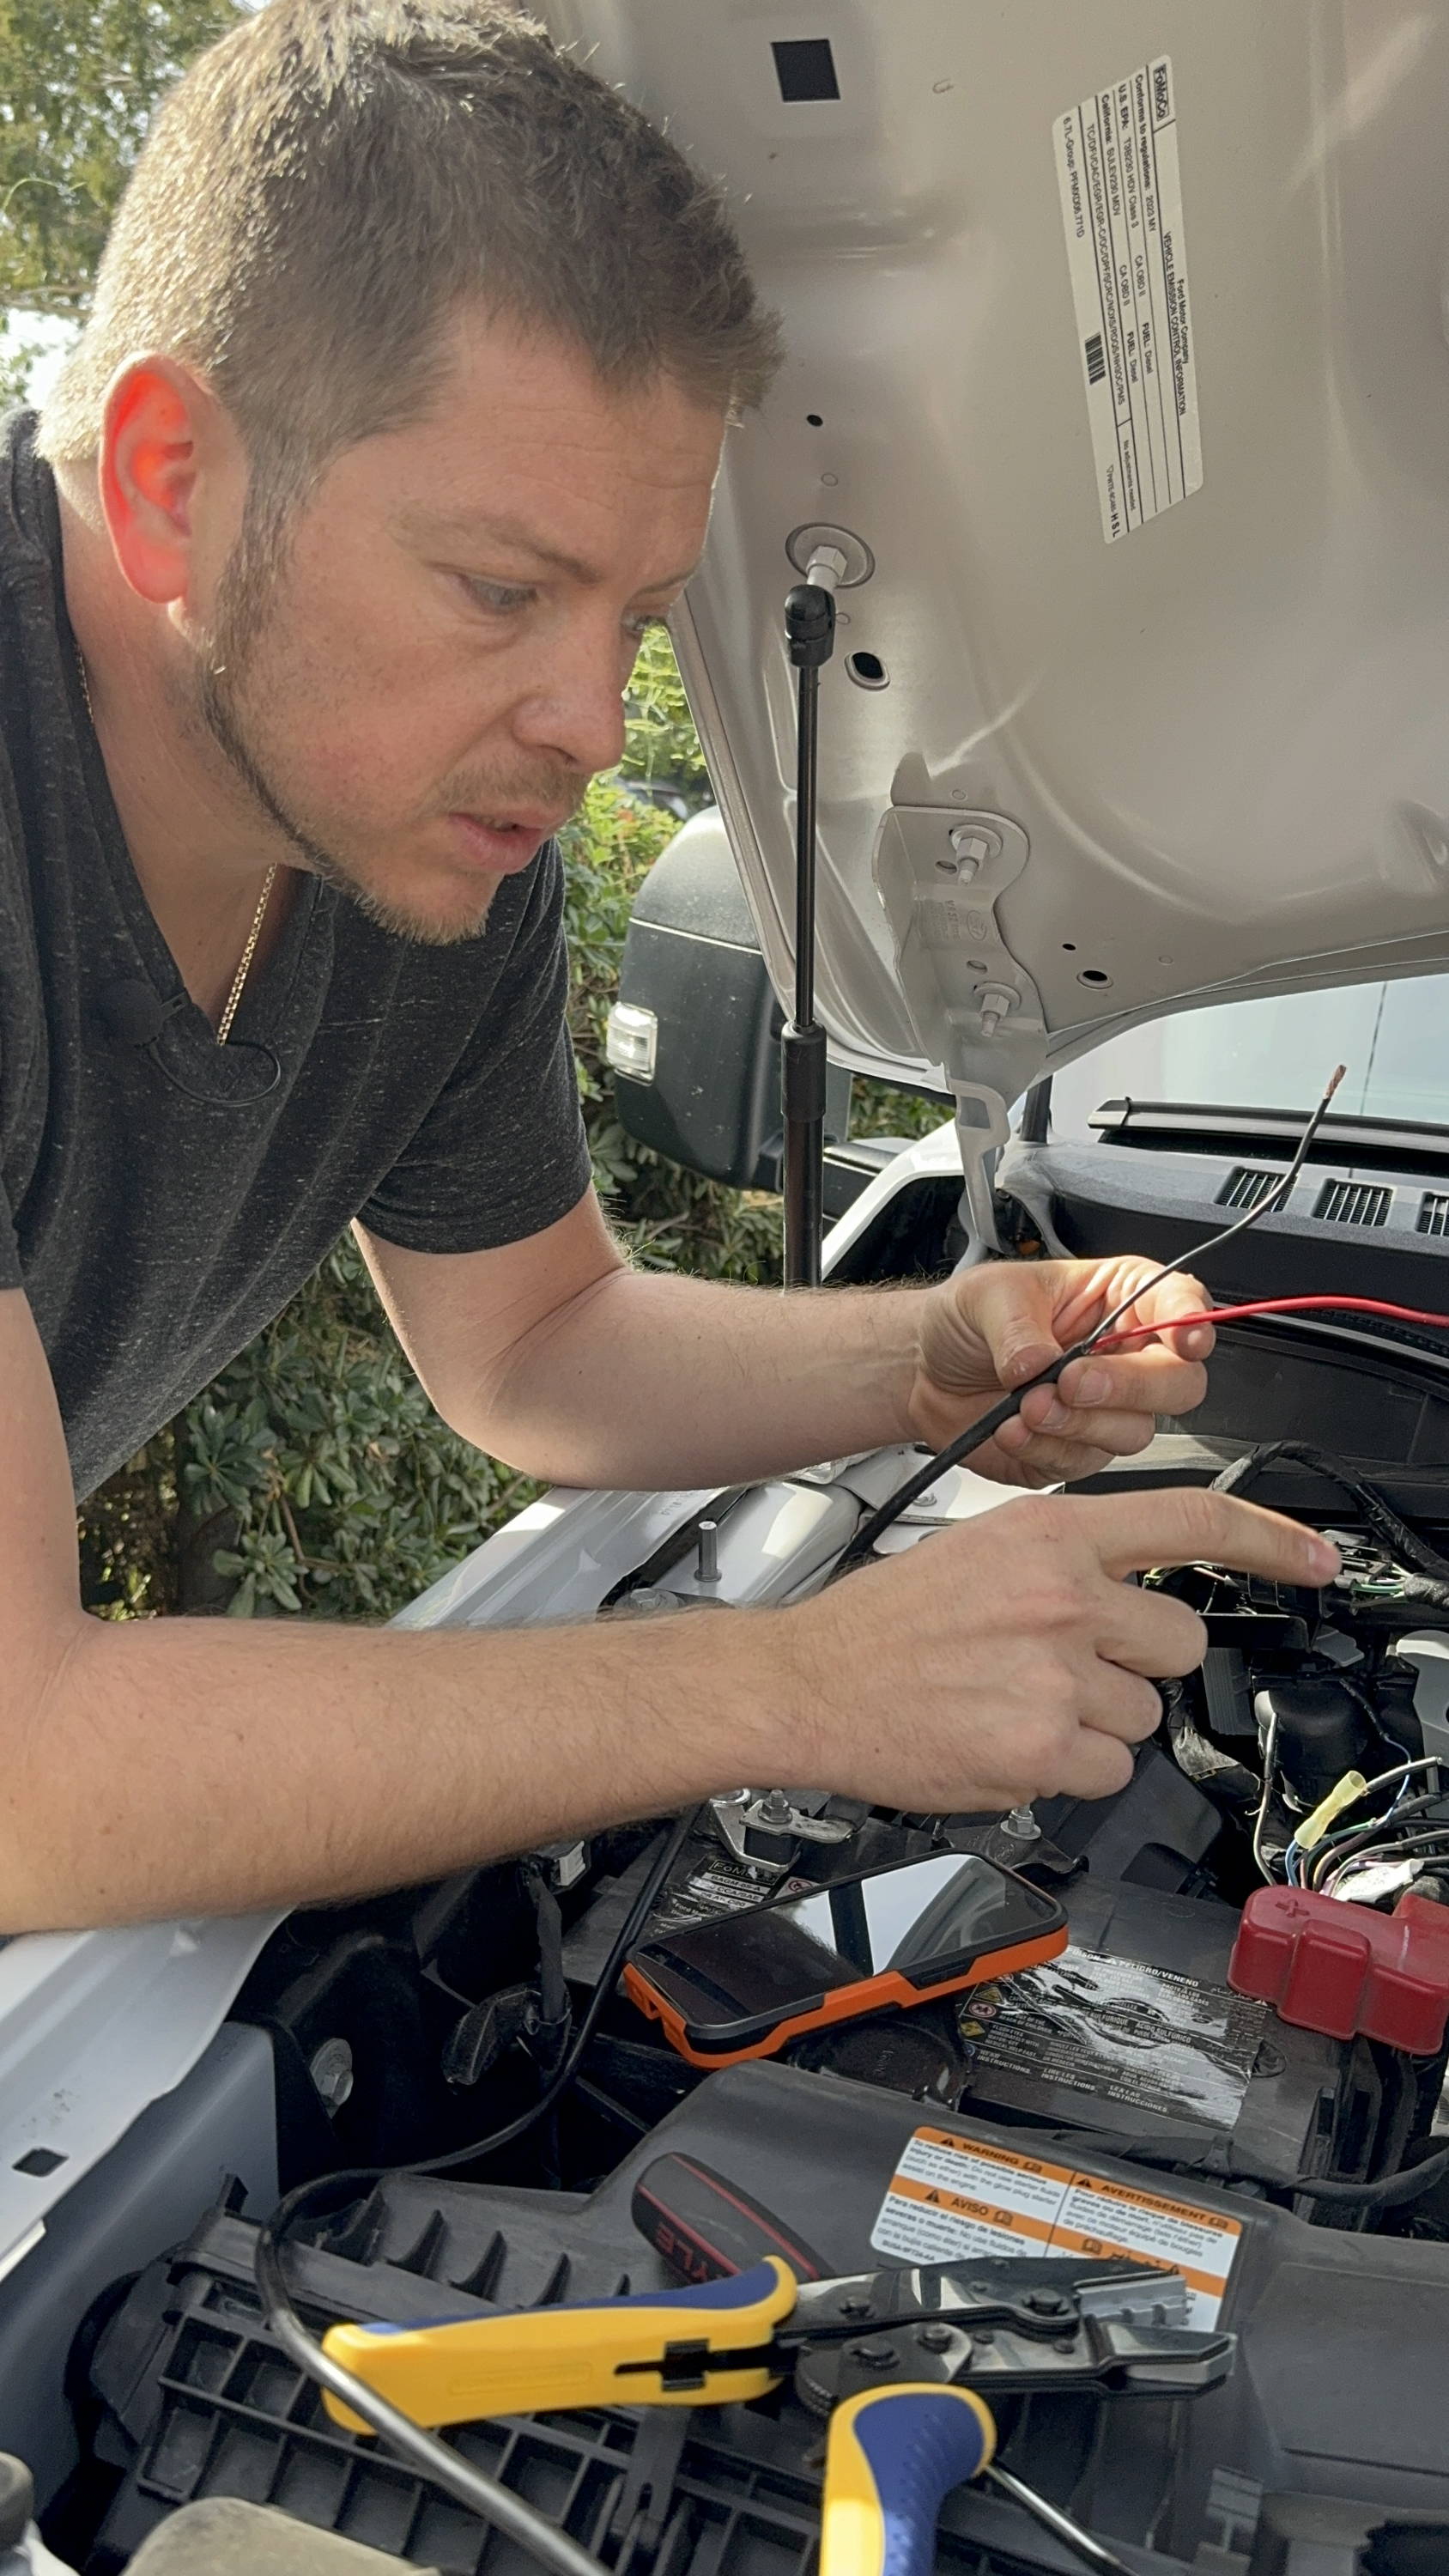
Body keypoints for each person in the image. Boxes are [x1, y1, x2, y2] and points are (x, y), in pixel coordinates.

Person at [0, 0, 1337, 1935]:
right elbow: (25, 1780)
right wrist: (792, 1683)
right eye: (500, 589)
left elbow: (533, 1345)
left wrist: (929, 1353)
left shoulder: (410, 822)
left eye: (631, 613)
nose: (589, 722)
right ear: (165, 481)